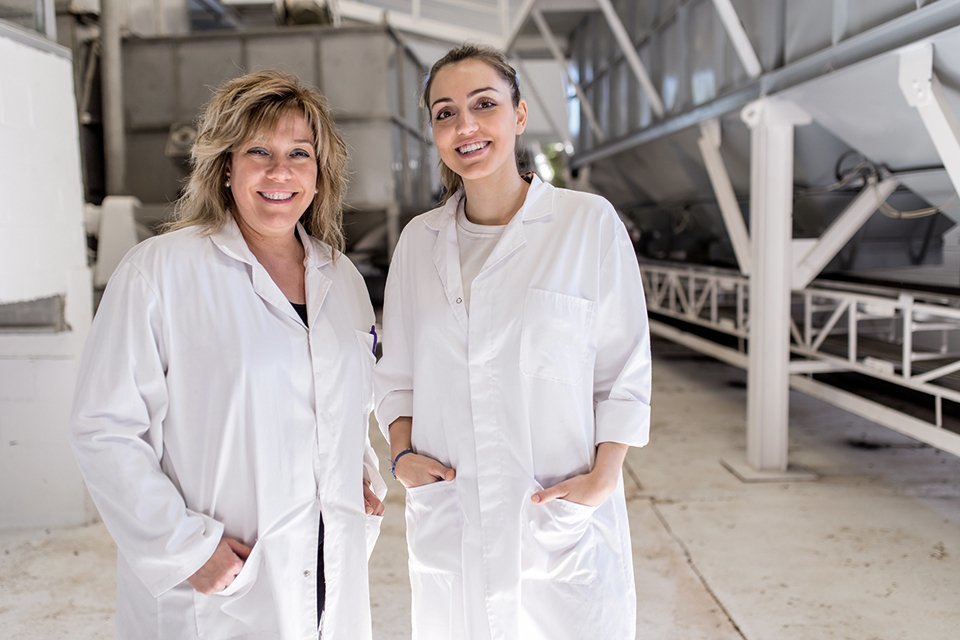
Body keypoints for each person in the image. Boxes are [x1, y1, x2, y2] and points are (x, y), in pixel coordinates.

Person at [70, 69, 385, 640]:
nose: (279, 171)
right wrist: (185, 549)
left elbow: (345, 408)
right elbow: (105, 430)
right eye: (258, 151)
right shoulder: (159, 272)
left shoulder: (342, 279)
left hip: (327, 568)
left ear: (320, 173)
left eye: (299, 153)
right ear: (225, 166)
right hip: (218, 582)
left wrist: (353, 474)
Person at [374, 45, 652, 639]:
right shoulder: (419, 243)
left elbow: (623, 368)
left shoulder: (587, 224)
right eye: (445, 113)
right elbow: (396, 375)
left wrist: (604, 477)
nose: (465, 126)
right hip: (453, 512)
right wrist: (400, 455)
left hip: (557, 515)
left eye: (484, 105)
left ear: (519, 115)